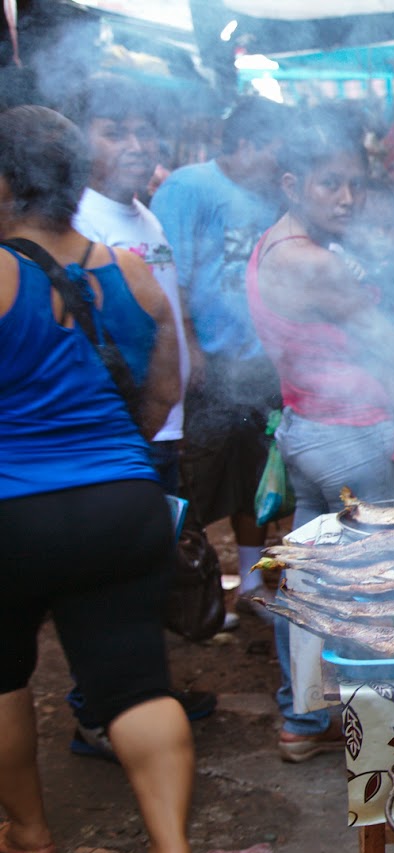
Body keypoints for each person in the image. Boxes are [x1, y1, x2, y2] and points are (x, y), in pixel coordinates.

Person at [0, 106, 194, 853]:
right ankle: (171, 849)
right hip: (125, 499)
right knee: (136, 681)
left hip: (13, 511)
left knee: (5, 677)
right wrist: (115, 458)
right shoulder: (129, 270)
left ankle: (31, 835)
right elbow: (167, 387)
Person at [247, 105, 394, 762]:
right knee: (376, 582)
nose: (348, 198)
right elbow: (387, 340)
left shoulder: (280, 243)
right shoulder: (310, 261)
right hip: (348, 437)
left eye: (355, 184)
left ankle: (303, 718)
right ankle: (378, 729)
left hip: (307, 429)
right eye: (330, 184)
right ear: (292, 183)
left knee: (313, 579)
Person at [67, 74, 216, 753]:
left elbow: (168, 304)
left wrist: (193, 359)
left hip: (167, 423)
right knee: (106, 578)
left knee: (153, 565)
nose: (136, 144)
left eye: (142, 130)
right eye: (114, 130)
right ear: (81, 143)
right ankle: (96, 710)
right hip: (121, 431)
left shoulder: (148, 215)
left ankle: (144, 690)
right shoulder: (81, 221)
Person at [151, 95, 288, 617]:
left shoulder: (267, 196)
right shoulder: (191, 186)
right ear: (247, 143)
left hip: (257, 363)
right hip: (208, 359)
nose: (278, 163)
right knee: (198, 480)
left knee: (256, 475)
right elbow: (171, 273)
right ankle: (191, 588)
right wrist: (186, 346)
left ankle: (251, 584)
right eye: (272, 150)